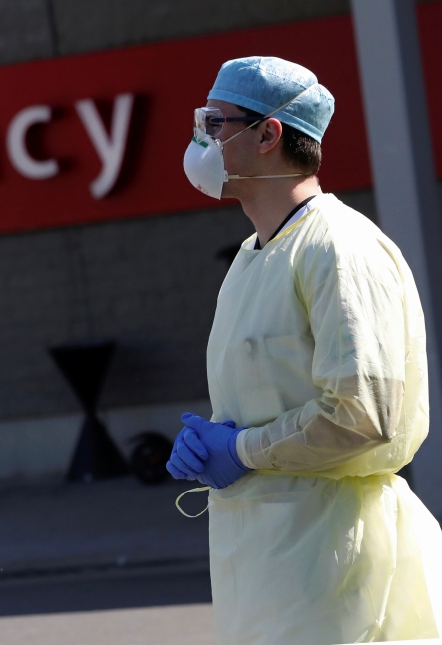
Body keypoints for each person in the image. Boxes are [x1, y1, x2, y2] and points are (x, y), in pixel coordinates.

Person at [166, 56, 442, 645]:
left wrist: (239, 447)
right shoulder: (253, 255)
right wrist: (208, 440)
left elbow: (363, 414)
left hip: (335, 565)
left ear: (268, 134)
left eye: (216, 125)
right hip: (264, 566)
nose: (203, 141)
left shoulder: (337, 248)